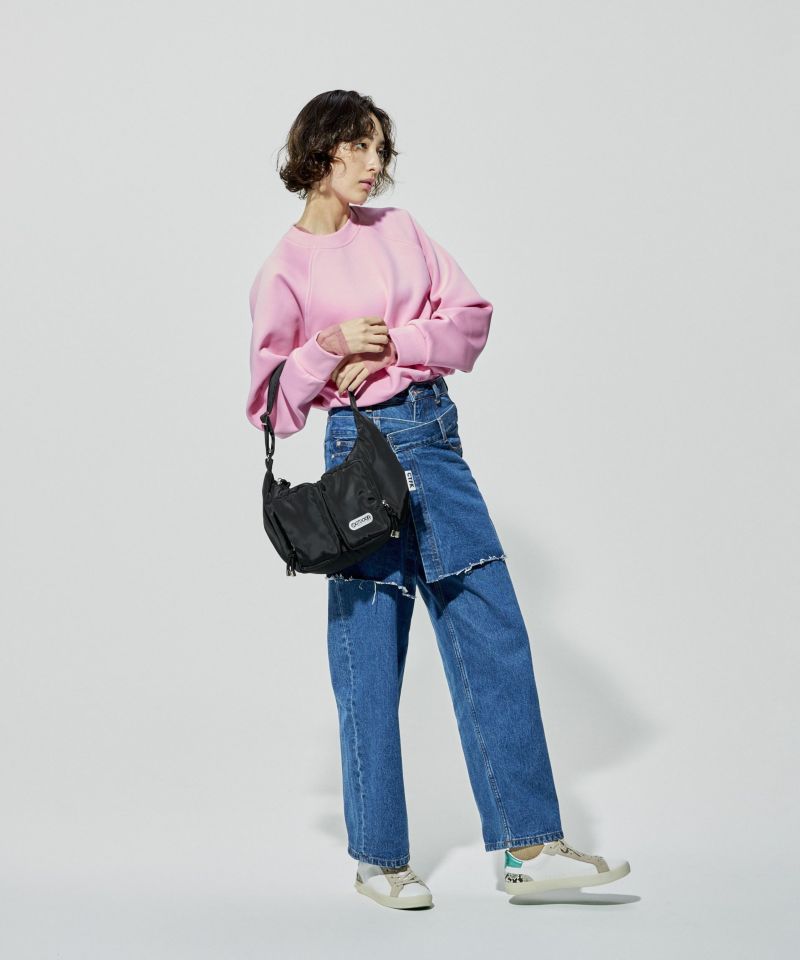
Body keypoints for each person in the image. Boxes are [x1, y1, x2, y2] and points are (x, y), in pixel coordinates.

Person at [246, 90, 631, 910]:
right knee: (368, 661)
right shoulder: (284, 267)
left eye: (380, 148)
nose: (375, 163)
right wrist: (324, 349)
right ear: (319, 151)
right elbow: (271, 407)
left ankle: (530, 849)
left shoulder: (402, 230)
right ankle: (379, 859)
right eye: (359, 146)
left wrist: (398, 340)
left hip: (434, 442)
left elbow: (471, 320)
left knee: (493, 631)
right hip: (359, 457)